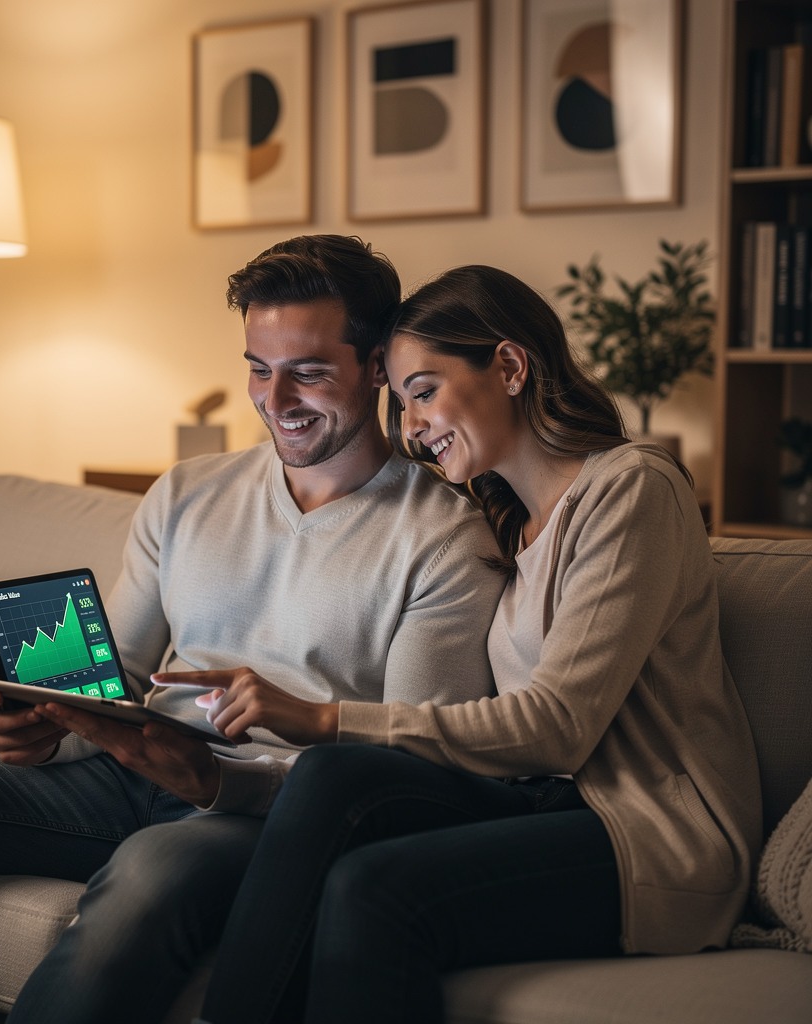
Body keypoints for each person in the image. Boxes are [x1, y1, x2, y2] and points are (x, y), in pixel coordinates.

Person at [0, 237, 505, 1024]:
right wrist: (50, 726)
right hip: (130, 774)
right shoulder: (187, 494)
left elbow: (406, 773)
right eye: (258, 368)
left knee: (154, 867)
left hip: (274, 814)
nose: (276, 398)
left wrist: (217, 782)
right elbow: (117, 675)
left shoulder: (443, 538)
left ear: (378, 365)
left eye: (309, 372)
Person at [161, 264, 763, 1024]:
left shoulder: (632, 488)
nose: (411, 427)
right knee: (333, 779)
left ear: (509, 367)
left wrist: (323, 717)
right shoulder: (505, 522)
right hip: (537, 803)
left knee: (371, 879)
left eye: (424, 391)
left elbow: (558, 726)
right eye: (400, 400)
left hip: (648, 836)